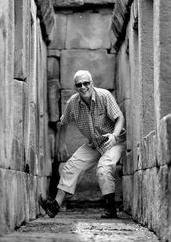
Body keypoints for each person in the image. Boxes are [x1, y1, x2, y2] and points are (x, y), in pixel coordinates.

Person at [39, 70, 126, 219]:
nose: (83, 87)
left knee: (104, 167)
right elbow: (63, 122)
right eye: (79, 84)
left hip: (114, 141)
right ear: (75, 87)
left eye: (86, 83)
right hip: (94, 143)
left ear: (92, 84)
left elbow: (120, 117)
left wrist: (114, 135)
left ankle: (111, 209)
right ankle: (54, 206)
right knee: (70, 166)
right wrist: (61, 144)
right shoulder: (73, 103)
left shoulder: (104, 96)